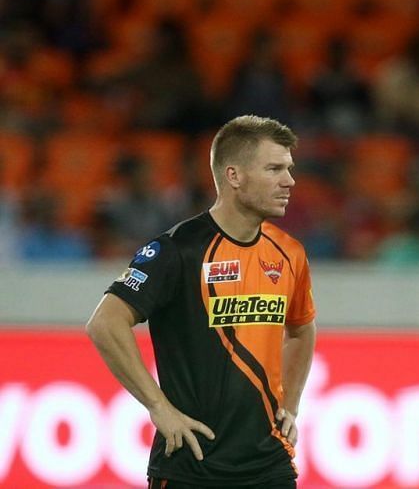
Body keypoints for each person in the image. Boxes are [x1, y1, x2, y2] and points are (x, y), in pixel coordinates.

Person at [86, 115, 317, 488]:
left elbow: (302, 329)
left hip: (269, 466)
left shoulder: (290, 252)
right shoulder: (177, 250)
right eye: (274, 168)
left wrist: (289, 405)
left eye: (289, 168)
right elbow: (105, 323)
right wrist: (158, 407)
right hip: (191, 467)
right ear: (234, 176)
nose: (289, 180)